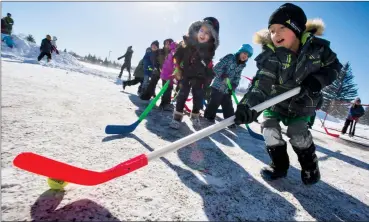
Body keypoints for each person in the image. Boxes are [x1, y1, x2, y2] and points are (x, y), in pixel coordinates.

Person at [234, 3, 342, 185]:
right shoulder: (272, 56)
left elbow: (334, 67)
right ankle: (279, 165)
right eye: (272, 30)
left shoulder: (318, 50)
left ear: (297, 29)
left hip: (302, 103)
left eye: (282, 28)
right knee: (268, 129)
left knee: (298, 134)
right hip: (275, 102)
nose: (276, 35)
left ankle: (310, 166)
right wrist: (248, 105)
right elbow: (261, 84)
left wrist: (318, 79)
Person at [170, 17, 220, 129]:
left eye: (207, 33)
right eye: (201, 30)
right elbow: (177, 56)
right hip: (186, 75)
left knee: (198, 98)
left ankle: (195, 116)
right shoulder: (187, 44)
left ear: (212, 37)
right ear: (197, 31)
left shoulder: (209, 52)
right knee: (182, 95)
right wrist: (177, 68)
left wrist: (208, 78)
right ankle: (177, 117)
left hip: (199, 78)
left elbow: (208, 66)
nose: (203, 34)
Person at [204, 44, 253, 128]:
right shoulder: (230, 57)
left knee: (228, 105)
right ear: (240, 52)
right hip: (218, 85)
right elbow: (217, 67)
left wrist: (234, 86)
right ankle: (209, 117)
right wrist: (222, 74)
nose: (245, 56)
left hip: (227, 88)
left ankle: (229, 121)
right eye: (244, 53)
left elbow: (237, 77)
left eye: (248, 55)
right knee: (215, 101)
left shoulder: (242, 65)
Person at [159, 41, 178, 111]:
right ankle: (165, 104)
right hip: (168, 75)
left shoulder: (170, 52)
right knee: (168, 90)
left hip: (165, 74)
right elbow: (175, 63)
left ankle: (163, 104)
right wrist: (176, 69)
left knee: (165, 89)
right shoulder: (174, 53)